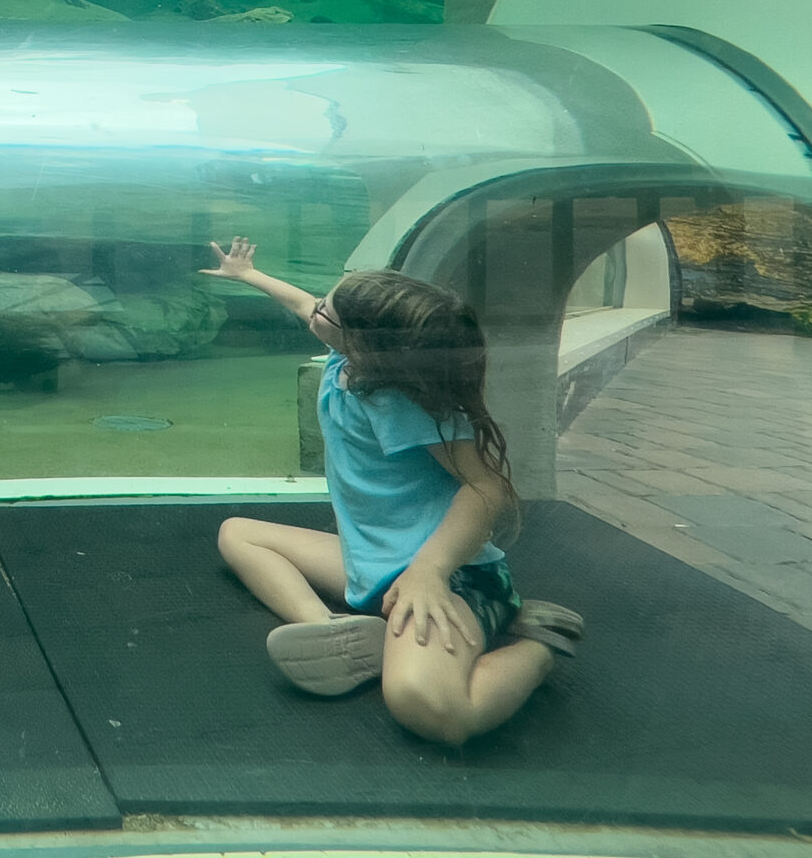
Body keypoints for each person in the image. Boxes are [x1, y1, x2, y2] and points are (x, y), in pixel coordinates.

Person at [199, 242, 583, 746]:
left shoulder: (399, 402)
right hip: (374, 566)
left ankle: (536, 644)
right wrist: (249, 275)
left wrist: (429, 572)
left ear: (364, 341)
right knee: (239, 534)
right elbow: (305, 304)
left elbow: (487, 487)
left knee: (434, 712)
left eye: (325, 310)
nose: (314, 309)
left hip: (451, 577)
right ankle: (330, 630)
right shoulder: (348, 359)